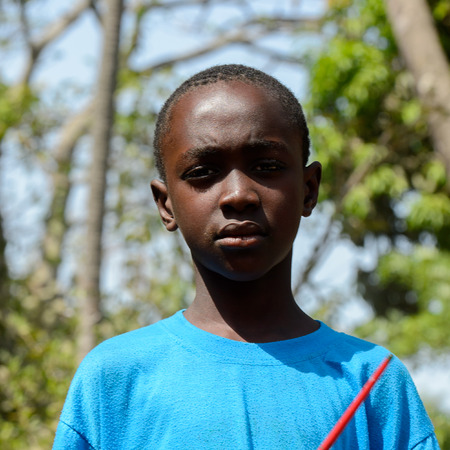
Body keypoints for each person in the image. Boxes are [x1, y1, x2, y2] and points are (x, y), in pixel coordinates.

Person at [53, 64, 439, 449]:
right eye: (203, 172)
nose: (238, 195)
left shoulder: (371, 380)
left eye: (267, 166)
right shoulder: (114, 379)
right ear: (166, 204)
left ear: (308, 189)